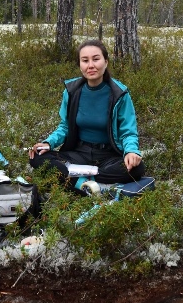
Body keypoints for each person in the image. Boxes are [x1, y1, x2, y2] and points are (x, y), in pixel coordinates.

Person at [29, 39, 145, 194]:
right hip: (79, 153)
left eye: (96, 59)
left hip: (109, 155)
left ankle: (73, 180)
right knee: (36, 157)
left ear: (106, 62)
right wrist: (49, 143)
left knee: (137, 168)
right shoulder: (72, 91)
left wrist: (131, 151)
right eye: (85, 60)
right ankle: (87, 183)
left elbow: (128, 131)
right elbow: (65, 127)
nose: (91, 65)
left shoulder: (119, 93)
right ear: (80, 65)